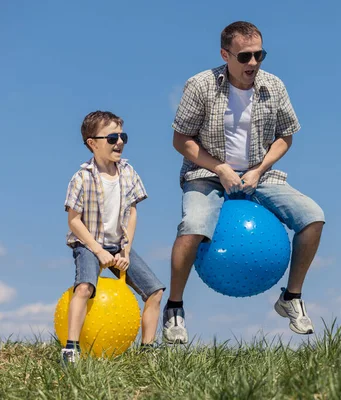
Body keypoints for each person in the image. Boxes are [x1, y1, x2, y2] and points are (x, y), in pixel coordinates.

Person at [163, 21, 325, 344]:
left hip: (257, 175)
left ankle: (291, 297)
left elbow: (286, 137)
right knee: (193, 225)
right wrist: (219, 167)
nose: (253, 63)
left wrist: (258, 169)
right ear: (226, 54)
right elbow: (181, 140)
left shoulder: (274, 86)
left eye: (259, 55)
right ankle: (175, 308)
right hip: (207, 174)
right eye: (245, 56)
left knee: (313, 217)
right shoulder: (200, 85)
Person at [62, 111, 165, 364]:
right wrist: (98, 251)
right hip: (88, 244)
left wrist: (126, 251)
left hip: (119, 245)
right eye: (112, 138)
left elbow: (132, 213)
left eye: (122, 136)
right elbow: (74, 221)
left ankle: (147, 352)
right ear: (92, 143)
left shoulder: (128, 173)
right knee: (85, 287)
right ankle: (71, 348)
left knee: (156, 292)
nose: (119, 142)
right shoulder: (81, 178)